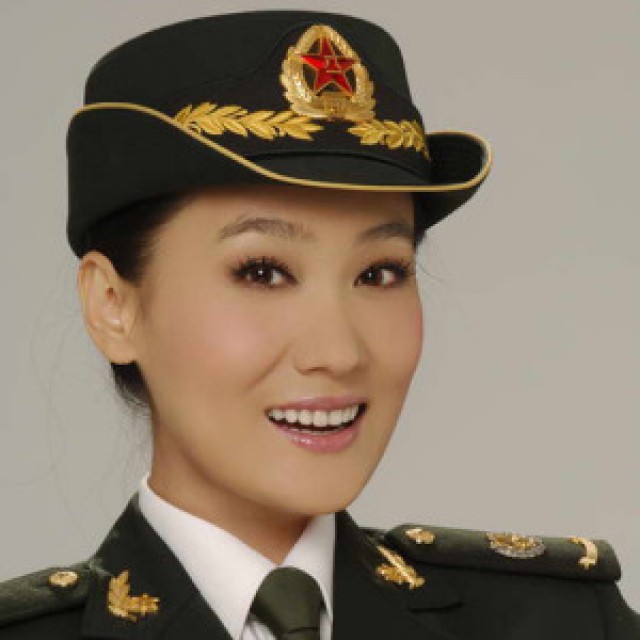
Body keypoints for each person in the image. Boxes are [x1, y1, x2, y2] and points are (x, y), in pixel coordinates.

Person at [0, 8, 637, 639]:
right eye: (262, 272)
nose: (338, 351)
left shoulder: (565, 623)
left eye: (379, 273)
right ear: (112, 306)